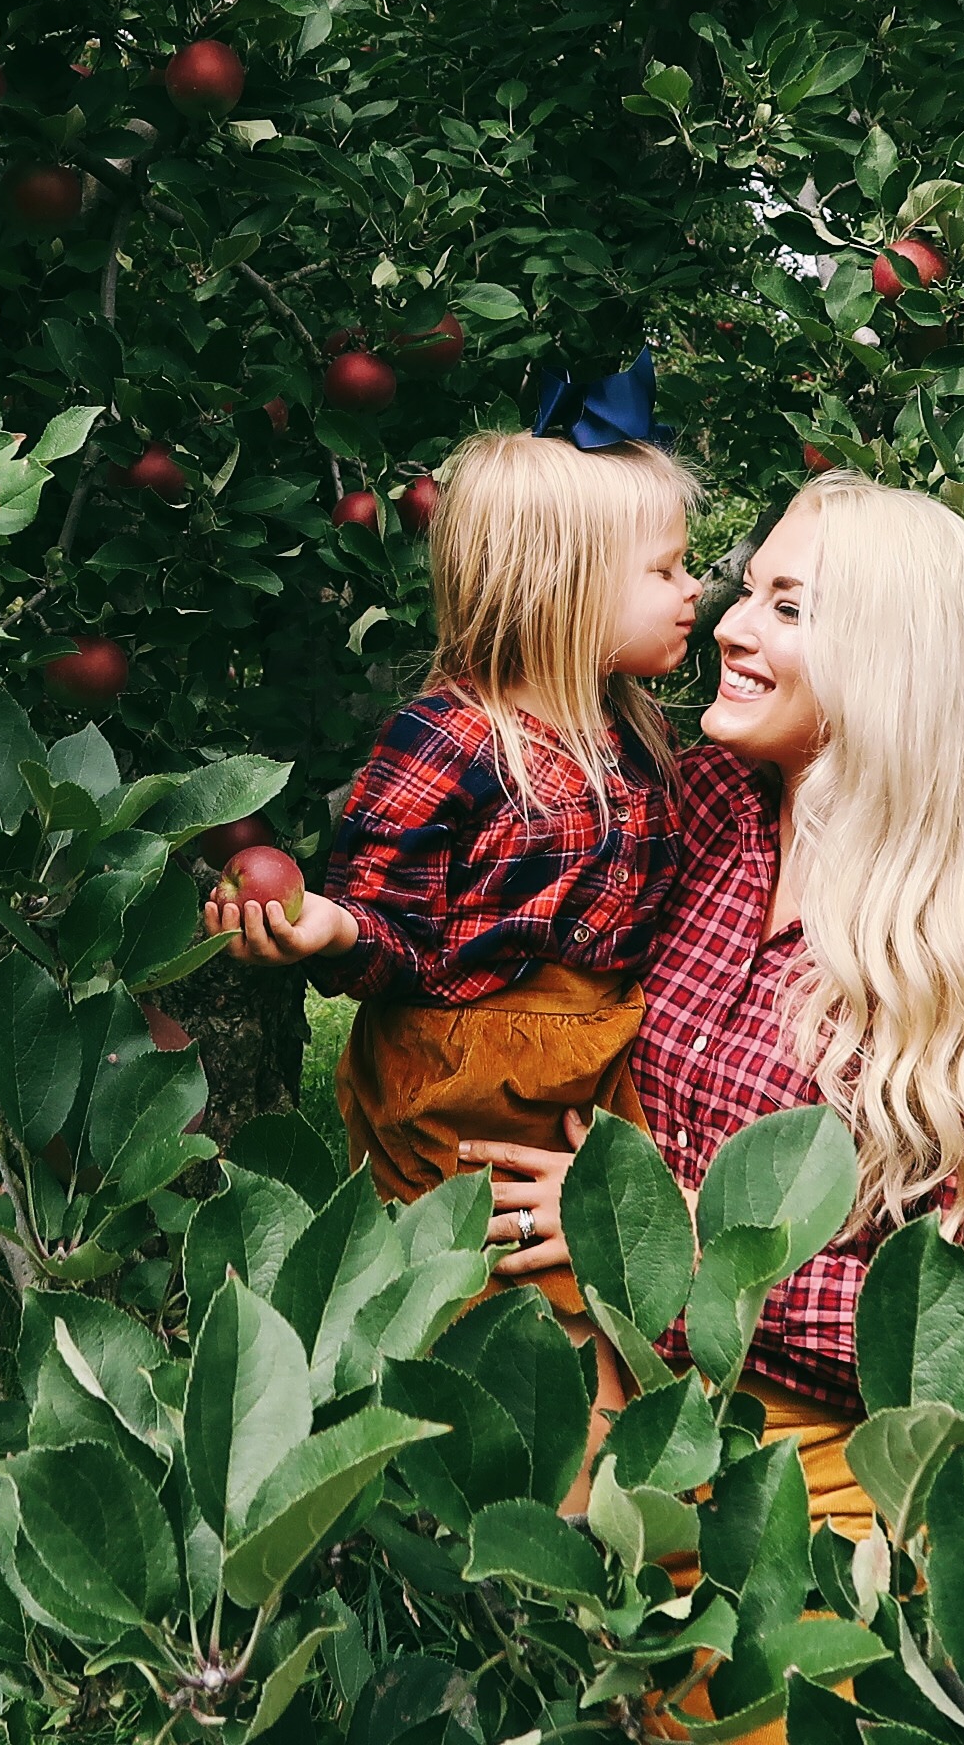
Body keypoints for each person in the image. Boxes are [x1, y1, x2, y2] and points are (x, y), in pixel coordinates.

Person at [463, 474, 964, 1531]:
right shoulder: (696, 812)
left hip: (812, 1447)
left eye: (786, 606)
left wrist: (689, 1250)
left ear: (890, 662)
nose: (727, 624)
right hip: (601, 1366)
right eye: (744, 589)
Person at [209, 428, 701, 1328]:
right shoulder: (453, 738)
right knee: (486, 1283)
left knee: (619, 1280)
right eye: (664, 571)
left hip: (593, 1057)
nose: (692, 589)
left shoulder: (640, 735)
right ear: (568, 591)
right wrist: (332, 928)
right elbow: (389, 924)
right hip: (466, 1073)